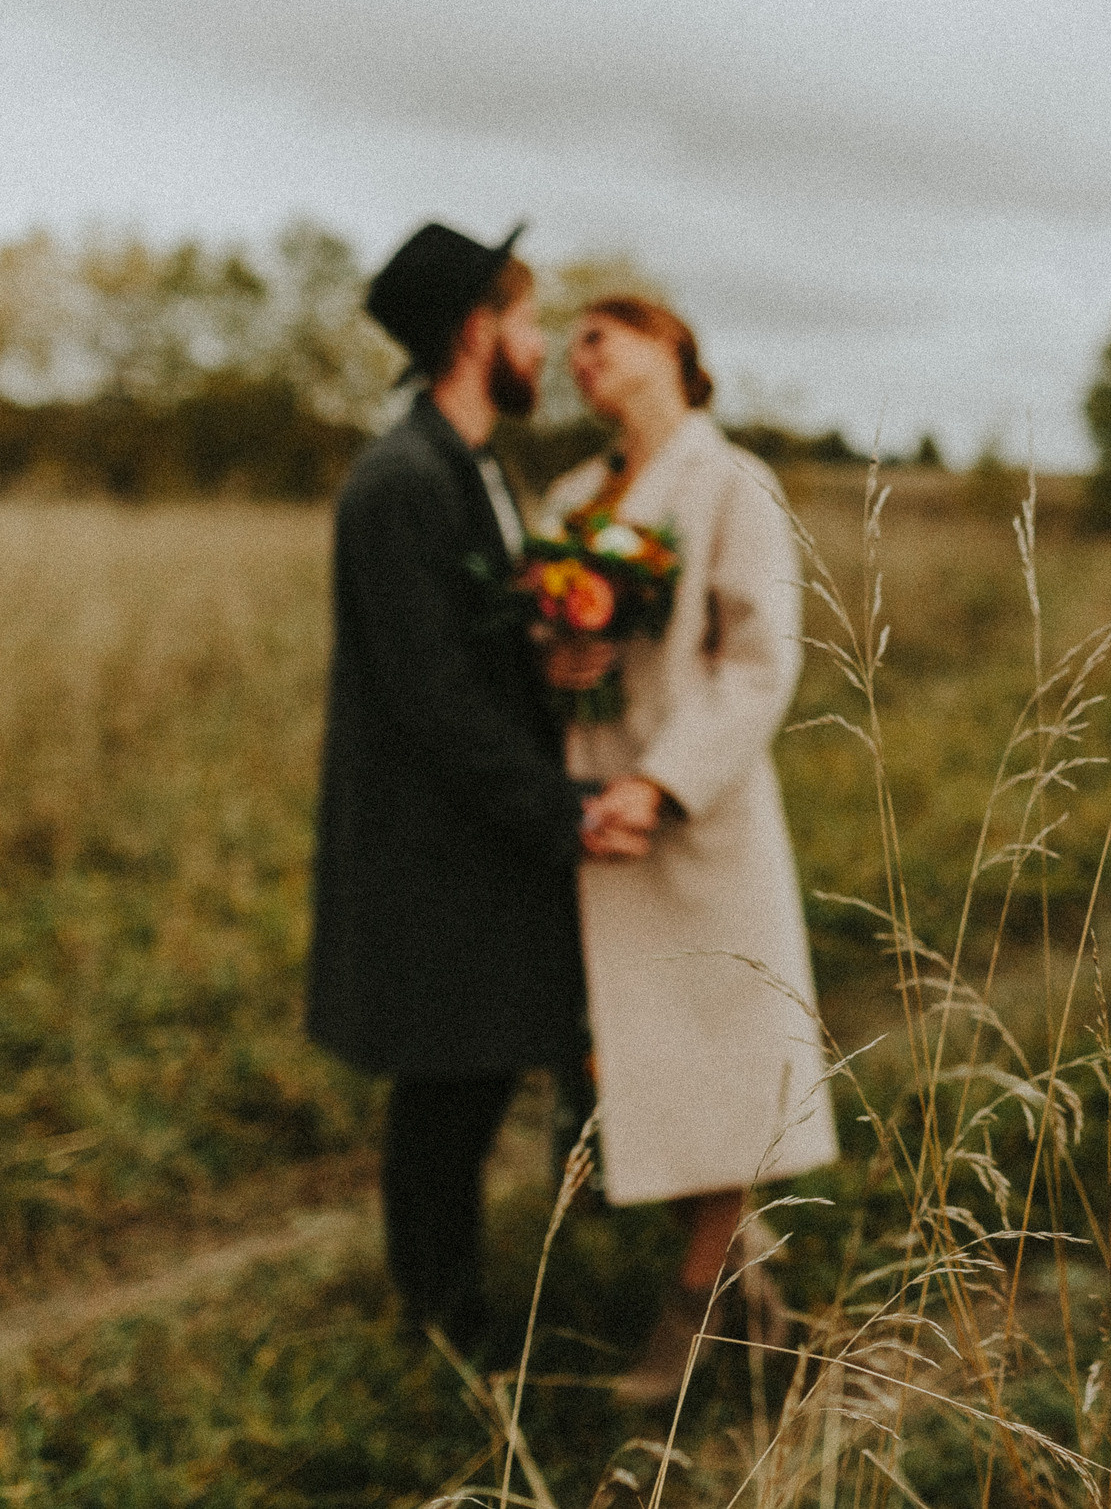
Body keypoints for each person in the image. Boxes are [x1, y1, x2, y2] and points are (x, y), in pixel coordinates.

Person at [306, 221, 637, 1356]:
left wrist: (552, 662)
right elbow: (430, 697)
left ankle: (453, 1306)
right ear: (472, 332)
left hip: (477, 837)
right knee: (445, 1089)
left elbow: (478, 652)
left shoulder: (483, 467)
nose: (540, 346)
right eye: (527, 320)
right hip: (430, 843)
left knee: (473, 1072)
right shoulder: (399, 483)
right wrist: (562, 813)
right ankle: (440, 1324)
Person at [540, 294, 840, 1406]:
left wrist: (660, 786)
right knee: (635, 1066)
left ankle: (690, 1312)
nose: (580, 358)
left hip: (694, 816)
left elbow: (758, 661)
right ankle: (751, 1293)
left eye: (599, 337)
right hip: (591, 812)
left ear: (669, 347)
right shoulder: (574, 497)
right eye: (569, 343)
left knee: (713, 1062)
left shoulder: (730, 483)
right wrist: (559, 662)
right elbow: (558, 638)